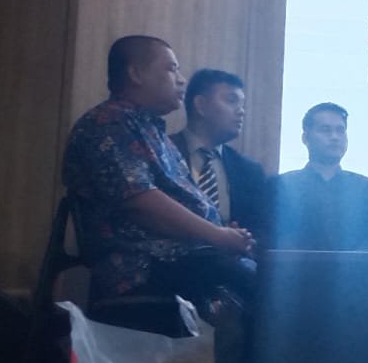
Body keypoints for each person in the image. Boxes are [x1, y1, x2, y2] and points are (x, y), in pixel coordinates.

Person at [62, 36, 256, 306]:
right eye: (171, 69)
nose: (181, 80)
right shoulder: (107, 124)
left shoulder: (150, 130)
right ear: (136, 74)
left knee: (275, 278)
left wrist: (222, 233)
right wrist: (217, 236)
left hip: (186, 257)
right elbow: (142, 203)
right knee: (273, 288)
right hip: (144, 265)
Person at [268, 102, 368, 251]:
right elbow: (271, 238)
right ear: (305, 138)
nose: (334, 137)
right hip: (294, 264)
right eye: (325, 130)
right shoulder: (280, 186)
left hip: (355, 265)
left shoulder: (367, 189)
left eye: (340, 130)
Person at [169, 68, 268, 236]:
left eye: (242, 104)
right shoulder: (161, 152)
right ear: (200, 105)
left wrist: (244, 236)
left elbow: (262, 230)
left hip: (232, 253)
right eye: (231, 100)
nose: (241, 111)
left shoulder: (249, 170)